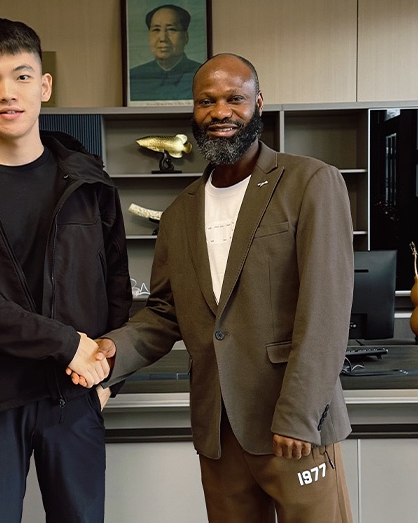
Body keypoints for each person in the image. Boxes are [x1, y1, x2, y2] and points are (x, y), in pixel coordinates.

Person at [76, 54, 356, 522]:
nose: (220, 112)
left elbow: (325, 309)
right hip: (218, 431)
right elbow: (165, 312)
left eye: (234, 99)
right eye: (207, 101)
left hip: (292, 424)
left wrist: (300, 413)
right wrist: (111, 349)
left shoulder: (310, 181)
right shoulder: (181, 211)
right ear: (194, 110)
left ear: (258, 104)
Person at [0, 18, 132, 522]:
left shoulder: (89, 181)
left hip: (75, 395)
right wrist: (68, 343)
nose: (7, 93)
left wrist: (108, 381)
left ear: (45, 85)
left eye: (22, 75)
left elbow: (116, 284)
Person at [128, 4, 202, 102]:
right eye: (156, 30)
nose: (163, 38)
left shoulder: (202, 75)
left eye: (171, 29)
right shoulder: (134, 77)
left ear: (186, 37)